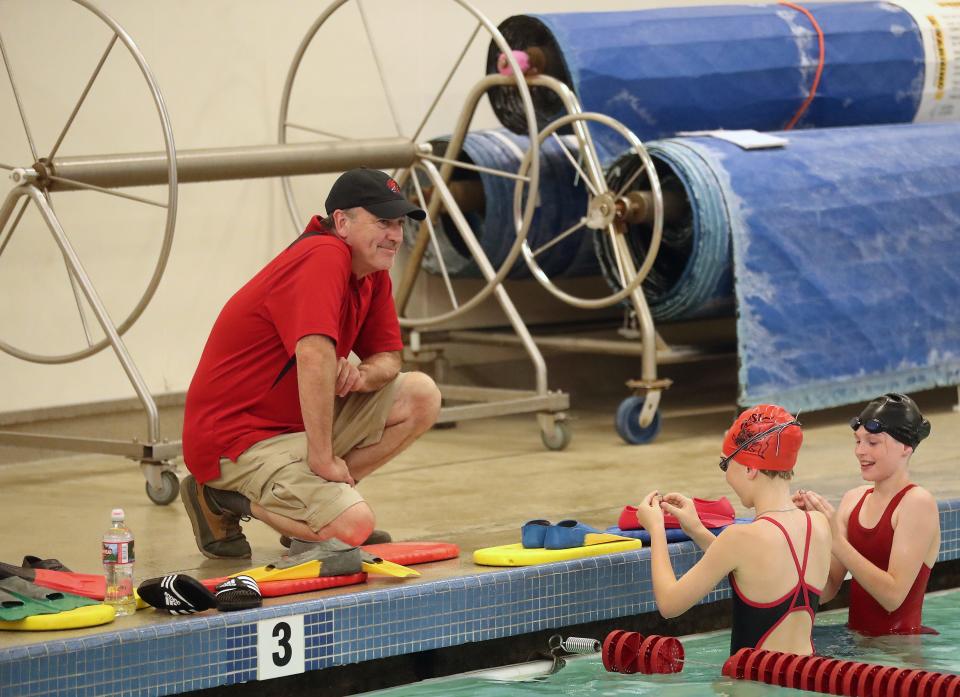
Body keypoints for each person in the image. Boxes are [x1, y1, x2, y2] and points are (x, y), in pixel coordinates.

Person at [180, 167, 442, 559]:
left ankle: (312, 511)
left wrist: (363, 374)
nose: (395, 235)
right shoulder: (323, 255)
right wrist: (320, 457)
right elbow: (314, 355)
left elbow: (388, 357)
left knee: (422, 394)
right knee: (353, 527)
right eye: (382, 222)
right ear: (341, 222)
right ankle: (220, 496)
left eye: (399, 224)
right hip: (237, 437)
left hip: (291, 427)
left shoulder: (371, 271)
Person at [632, 405, 832, 655]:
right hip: (806, 680)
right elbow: (752, 569)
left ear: (750, 469)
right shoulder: (819, 524)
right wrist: (697, 530)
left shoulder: (739, 539)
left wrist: (656, 529)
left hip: (752, 685)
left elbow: (669, 604)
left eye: (726, 464)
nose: (726, 477)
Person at [795, 393, 939, 635]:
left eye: (872, 443)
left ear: (905, 446)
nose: (860, 451)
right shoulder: (853, 500)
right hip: (858, 648)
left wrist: (837, 541)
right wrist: (805, 529)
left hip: (900, 655)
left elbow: (892, 596)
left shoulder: (916, 503)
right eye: (857, 441)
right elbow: (827, 591)